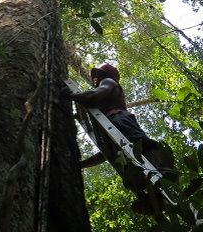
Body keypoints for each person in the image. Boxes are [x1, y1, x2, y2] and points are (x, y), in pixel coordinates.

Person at [62, 63, 176, 213]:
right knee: (130, 169)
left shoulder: (109, 82)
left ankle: (163, 173)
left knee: (139, 146)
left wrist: (70, 95)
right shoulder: (112, 135)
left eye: (99, 74)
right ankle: (154, 196)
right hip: (118, 127)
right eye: (94, 75)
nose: (95, 78)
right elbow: (106, 153)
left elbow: (94, 96)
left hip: (119, 119)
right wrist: (80, 165)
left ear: (107, 76)